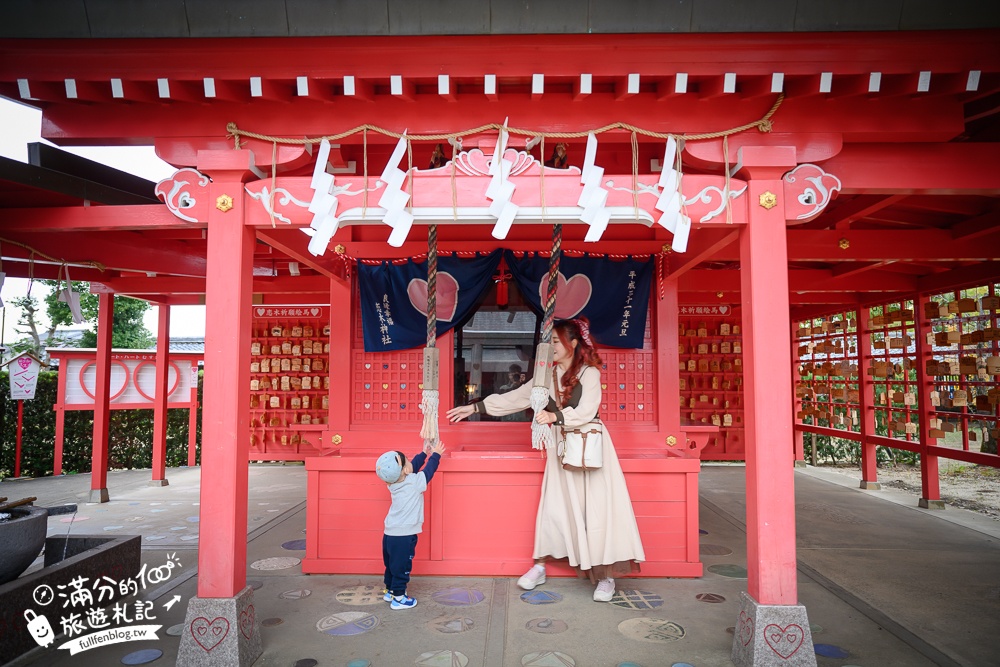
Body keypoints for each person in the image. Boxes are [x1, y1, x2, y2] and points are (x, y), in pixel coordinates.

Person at [446, 318, 644, 602]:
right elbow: (515, 398)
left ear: (572, 344)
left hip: (590, 449)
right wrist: (475, 407)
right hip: (561, 448)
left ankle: (606, 577)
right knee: (553, 507)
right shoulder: (545, 377)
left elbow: (588, 410)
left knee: (598, 511)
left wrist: (555, 416)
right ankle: (540, 565)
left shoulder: (590, 374)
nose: (550, 347)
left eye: (554, 341)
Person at [375, 440, 446, 609]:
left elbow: (410, 467)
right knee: (402, 567)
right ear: (405, 470)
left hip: (390, 533)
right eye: (406, 459)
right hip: (403, 535)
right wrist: (435, 455)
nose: (409, 461)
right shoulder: (414, 482)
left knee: (391, 565)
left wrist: (423, 453)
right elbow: (428, 471)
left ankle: (390, 591)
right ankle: (399, 598)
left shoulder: (392, 483)